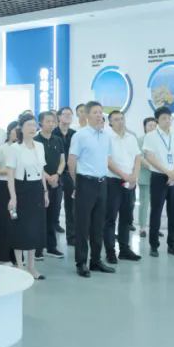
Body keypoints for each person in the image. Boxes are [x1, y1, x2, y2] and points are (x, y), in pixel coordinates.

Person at [67, 101, 114, 277]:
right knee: (82, 225)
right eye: (95, 112)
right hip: (85, 183)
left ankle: (96, 261)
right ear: (86, 115)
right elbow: (72, 161)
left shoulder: (106, 136)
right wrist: (76, 182)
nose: (99, 115)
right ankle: (81, 262)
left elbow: (106, 159)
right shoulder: (80, 135)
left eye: (100, 112)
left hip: (102, 183)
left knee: (98, 225)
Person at [6, 114, 48, 280]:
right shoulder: (14, 148)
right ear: (21, 128)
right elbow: (10, 174)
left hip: (36, 189)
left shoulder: (39, 146)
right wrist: (13, 197)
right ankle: (20, 265)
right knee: (19, 227)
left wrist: (45, 192)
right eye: (28, 125)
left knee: (34, 228)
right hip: (20, 189)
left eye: (34, 125)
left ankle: (31, 266)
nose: (32, 128)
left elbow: (42, 171)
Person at [142, 107, 174, 257]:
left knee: (173, 212)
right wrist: (168, 172)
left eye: (169, 118)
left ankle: (172, 245)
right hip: (159, 177)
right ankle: (154, 245)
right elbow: (150, 157)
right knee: (156, 211)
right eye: (164, 118)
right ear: (157, 120)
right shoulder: (151, 136)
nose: (167, 120)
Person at [104, 110, 142, 263]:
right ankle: (110, 251)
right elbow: (107, 161)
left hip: (130, 182)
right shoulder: (106, 138)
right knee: (110, 218)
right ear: (110, 123)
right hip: (112, 182)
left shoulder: (131, 138)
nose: (120, 121)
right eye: (116, 119)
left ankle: (124, 249)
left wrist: (134, 176)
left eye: (122, 118)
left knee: (126, 217)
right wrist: (124, 176)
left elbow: (138, 157)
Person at [33, 111, 65, 260]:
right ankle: (38, 248)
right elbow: (35, 163)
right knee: (39, 217)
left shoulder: (58, 139)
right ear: (40, 123)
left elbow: (62, 160)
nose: (51, 124)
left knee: (53, 216)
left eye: (53, 121)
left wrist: (57, 174)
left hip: (56, 182)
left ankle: (52, 247)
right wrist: (47, 176)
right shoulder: (35, 140)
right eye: (48, 121)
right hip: (39, 183)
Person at [0, 121, 20, 264]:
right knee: (4, 220)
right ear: (9, 132)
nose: (17, 133)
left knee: (15, 219)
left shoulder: (22, 149)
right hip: (4, 188)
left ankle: (15, 255)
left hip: (18, 187)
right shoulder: (1, 149)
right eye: (15, 130)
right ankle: (2, 255)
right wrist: (8, 171)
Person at [56, 106, 76, 240]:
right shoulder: (53, 133)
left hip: (70, 173)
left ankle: (72, 236)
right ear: (59, 117)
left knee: (71, 206)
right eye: (65, 114)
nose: (68, 116)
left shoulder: (75, 134)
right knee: (54, 206)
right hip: (55, 174)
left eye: (70, 114)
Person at [136, 117, 157, 238]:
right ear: (145, 127)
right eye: (150, 126)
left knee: (157, 204)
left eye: (154, 126)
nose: (152, 128)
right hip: (145, 175)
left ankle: (155, 226)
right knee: (144, 203)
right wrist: (154, 167)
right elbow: (140, 157)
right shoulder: (140, 140)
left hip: (159, 176)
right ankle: (142, 227)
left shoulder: (160, 141)